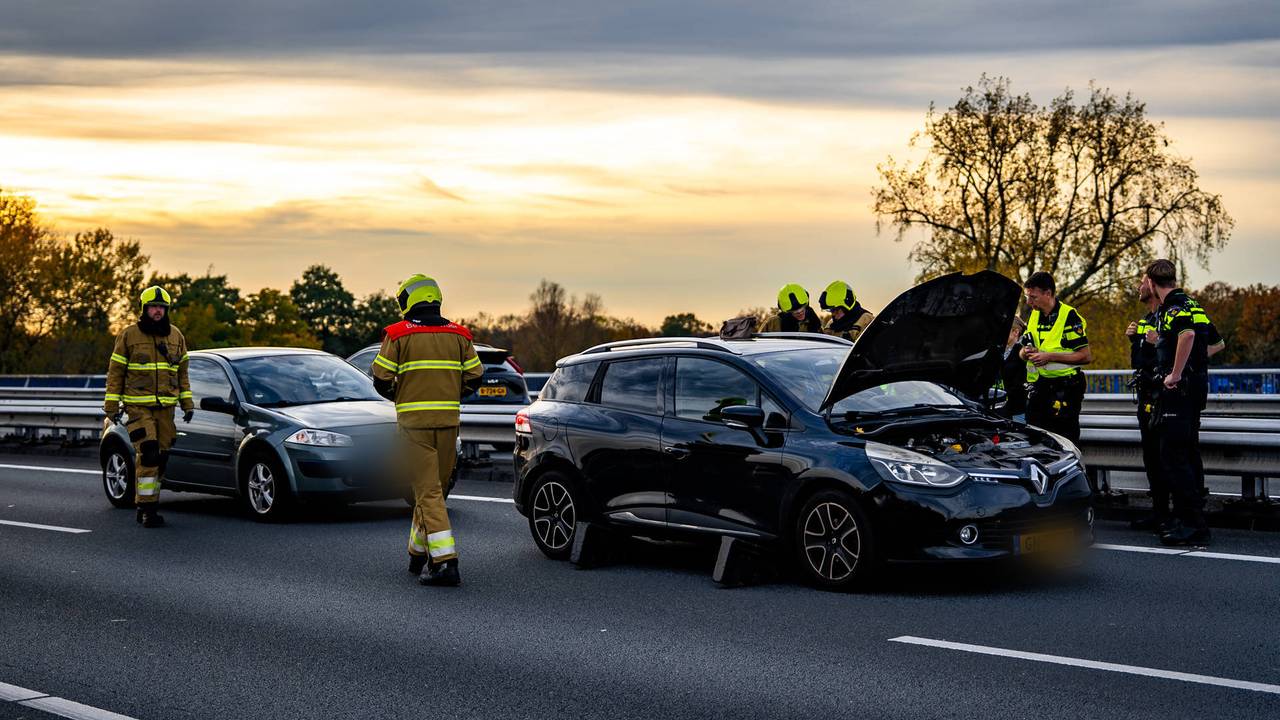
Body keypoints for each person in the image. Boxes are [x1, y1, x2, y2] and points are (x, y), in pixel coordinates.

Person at [371, 274, 484, 586]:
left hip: (414, 426)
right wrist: (451, 394)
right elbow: (475, 377)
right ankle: (418, 555)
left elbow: (381, 378)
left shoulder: (397, 335)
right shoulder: (459, 335)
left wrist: (400, 395)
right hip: (448, 423)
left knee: (428, 491)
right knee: (436, 489)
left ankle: (446, 563)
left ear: (407, 301)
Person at [103, 286, 194, 528]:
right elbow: (116, 372)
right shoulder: (129, 336)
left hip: (166, 407)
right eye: (153, 307)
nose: (157, 311)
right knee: (149, 452)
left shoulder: (176, 336)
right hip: (137, 407)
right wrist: (111, 405)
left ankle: (148, 499)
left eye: (162, 308)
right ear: (144, 309)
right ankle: (146, 508)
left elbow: (182, 373)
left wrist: (187, 403)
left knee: (162, 457)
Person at [1144, 260, 1219, 546]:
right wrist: (1194, 364)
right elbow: (1214, 342)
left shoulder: (1173, 307)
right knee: (1186, 454)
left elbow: (1186, 335)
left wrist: (1175, 372)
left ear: (1152, 282)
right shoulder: (1192, 303)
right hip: (1195, 387)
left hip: (1180, 391)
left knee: (1174, 456)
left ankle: (1192, 524)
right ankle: (1193, 520)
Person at [1019, 272, 1092, 442]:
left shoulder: (1069, 316)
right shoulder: (1035, 315)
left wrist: (1049, 356)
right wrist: (1025, 353)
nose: (1029, 302)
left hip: (1065, 388)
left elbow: (1085, 356)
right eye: (1027, 297)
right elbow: (1023, 351)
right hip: (1041, 386)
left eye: (1033, 297)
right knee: (1035, 437)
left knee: (1063, 439)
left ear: (1048, 293)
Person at [1126, 281, 1167, 532]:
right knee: (1151, 458)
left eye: (1142, 282)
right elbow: (1140, 360)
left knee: (1167, 459)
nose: (1139, 287)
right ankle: (1159, 513)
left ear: (1153, 286)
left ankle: (1174, 516)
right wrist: (1134, 341)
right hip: (1145, 397)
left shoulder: (1166, 317)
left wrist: (1157, 341)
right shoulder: (1146, 318)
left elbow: (1177, 349)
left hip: (1162, 397)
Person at [997, 317, 1029, 423]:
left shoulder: (1022, 353)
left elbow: (1021, 383)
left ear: (1015, 332)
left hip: (1017, 410)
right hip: (998, 408)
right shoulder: (997, 350)